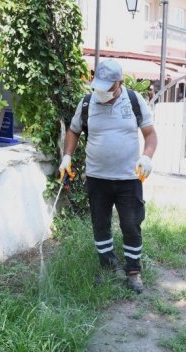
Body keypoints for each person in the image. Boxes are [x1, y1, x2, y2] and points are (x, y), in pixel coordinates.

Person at [59, 59, 158, 293]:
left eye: (107, 87)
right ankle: (109, 266)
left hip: (129, 178)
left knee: (131, 224)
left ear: (119, 83)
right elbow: (73, 130)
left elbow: (150, 135)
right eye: (98, 86)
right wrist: (67, 157)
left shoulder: (134, 101)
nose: (101, 92)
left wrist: (147, 157)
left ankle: (133, 271)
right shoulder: (87, 102)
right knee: (100, 224)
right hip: (97, 178)